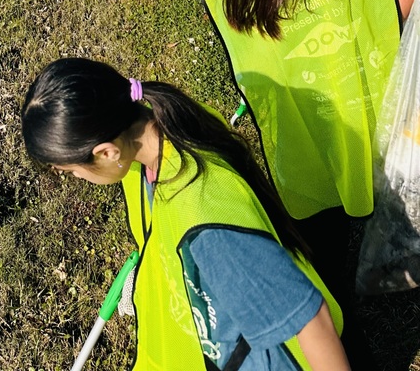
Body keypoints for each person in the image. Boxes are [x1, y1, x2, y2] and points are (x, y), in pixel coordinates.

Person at [199, 0, 411, 369]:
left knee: (323, 262)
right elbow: (392, 9)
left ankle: (338, 336)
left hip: (300, 162)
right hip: (365, 135)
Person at [22, 57, 348, 371]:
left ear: (107, 152)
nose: (77, 177)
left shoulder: (205, 221)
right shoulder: (166, 132)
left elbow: (309, 319)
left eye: (71, 171)